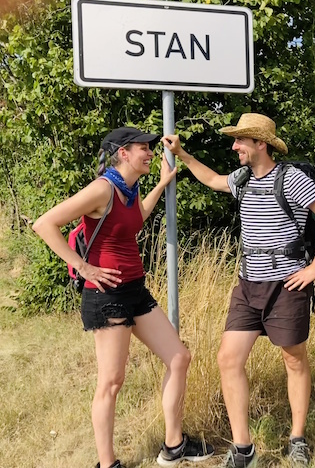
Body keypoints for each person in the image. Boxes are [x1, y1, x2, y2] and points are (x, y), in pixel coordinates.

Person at [163, 113, 315, 468]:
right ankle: (243, 449)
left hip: (286, 285)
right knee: (228, 359)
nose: (234, 147)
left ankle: (297, 439)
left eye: (240, 141)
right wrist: (183, 155)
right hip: (248, 285)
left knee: (293, 359)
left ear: (260, 144)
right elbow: (213, 180)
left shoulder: (291, 179)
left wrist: (314, 268)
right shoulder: (243, 178)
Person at [32, 127, 215, 468]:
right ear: (123, 153)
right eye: (143, 148)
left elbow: (135, 220)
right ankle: (107, 464)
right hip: (106, 296)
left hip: (135, 290)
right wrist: (84, 267)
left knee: (178, 357)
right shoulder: (102, 188)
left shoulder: (129, 189)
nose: (150, 153)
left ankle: (174, 445)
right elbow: (44, 224)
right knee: (112, 381)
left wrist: (161, 184)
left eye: (149, 147)